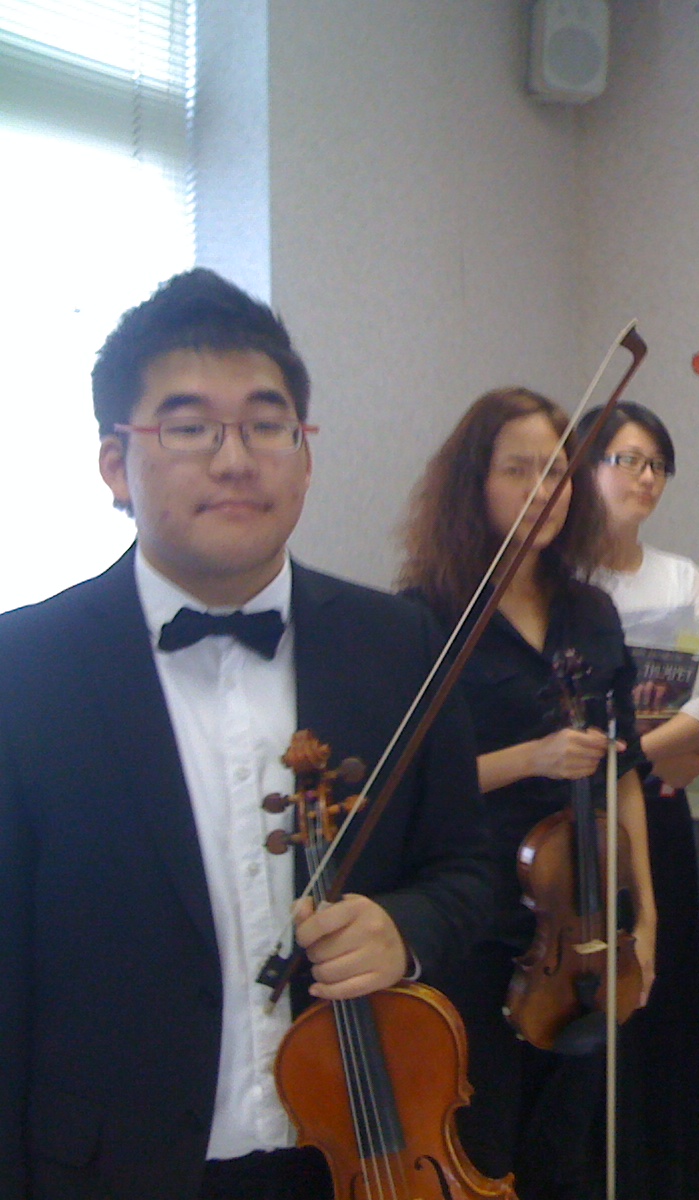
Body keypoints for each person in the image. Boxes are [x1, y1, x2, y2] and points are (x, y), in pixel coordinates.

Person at [0, 269, 493, 1200]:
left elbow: (469, 869)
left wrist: (405, 928)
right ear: (116, 464)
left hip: (356, 1155)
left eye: (268, 425)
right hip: (107, 1169)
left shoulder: (400, 642)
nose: (235, 459)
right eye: (188, 427)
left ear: (304, 454)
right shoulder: (23, 669)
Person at [398, 388, 658, 1199]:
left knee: (567, 1153)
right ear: (474, 483)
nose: (543, 491)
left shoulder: (592, 612)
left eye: (556, 472)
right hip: (473, 923)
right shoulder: (424, 618)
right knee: (481, 1147)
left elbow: (623, 774)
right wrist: (531, 757)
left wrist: (644, 919)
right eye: (518, 471)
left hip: (580, 925)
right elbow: (404, 782)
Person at [573, 401, 699, 1199]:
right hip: (573, 820)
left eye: (657, 464)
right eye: (627, 459)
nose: (645, 477)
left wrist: (636, 755)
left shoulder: (682, 578)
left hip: (657, 801)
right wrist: (650, 751)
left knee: (663, 993)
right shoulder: (559, 582)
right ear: (585, 469)